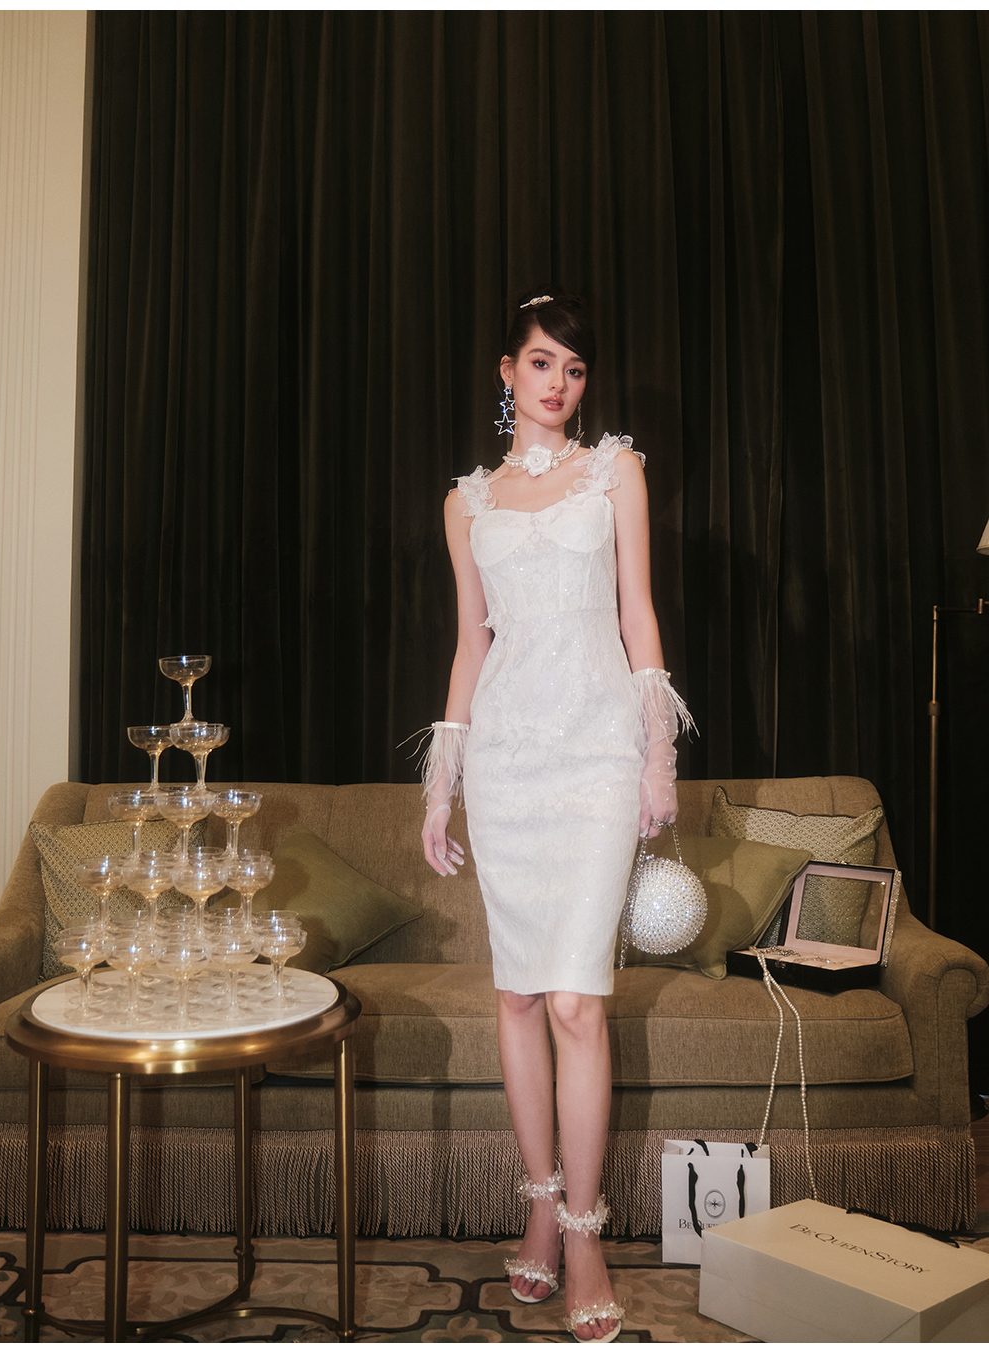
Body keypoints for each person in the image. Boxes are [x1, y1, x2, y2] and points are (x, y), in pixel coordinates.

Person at [419, 292, 693, 1343]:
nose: (558, 384)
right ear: (507, 371)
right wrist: (441, 785)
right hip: (505, 760)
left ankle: (584, 1232)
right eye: (541, 363)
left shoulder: (616, 471)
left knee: (578, 1000)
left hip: (594, 756)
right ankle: (537, 1209)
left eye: (574, 369)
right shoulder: (466, 502)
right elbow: (469, 644)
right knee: (519, 996)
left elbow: (638, 615)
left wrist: (656, 757)